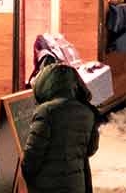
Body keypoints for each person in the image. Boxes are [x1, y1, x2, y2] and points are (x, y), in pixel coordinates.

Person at [20, 60, 100, 193]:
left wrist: (28, 177)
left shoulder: (46, 111)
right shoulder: (87, 111)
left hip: (47, 186)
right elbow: (91, 149)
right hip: (76, 185)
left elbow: (32, 157)